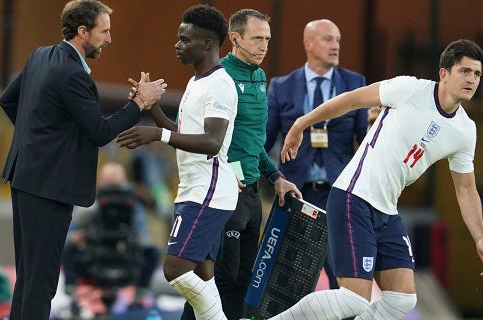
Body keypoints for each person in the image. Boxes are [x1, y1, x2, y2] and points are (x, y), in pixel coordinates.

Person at [255, 39, 483, 320]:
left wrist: (481, 238)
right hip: (353, 197)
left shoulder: (466, 131)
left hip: (387, 211)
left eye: (477, 74)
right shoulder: (410, 89)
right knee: (354, 300)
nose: (472, 79)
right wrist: (301, 123)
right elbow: (352, 100)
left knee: (402, 299)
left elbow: (466, 189)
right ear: (444, 74)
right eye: (465, 71)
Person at [0, 0, 167, 318]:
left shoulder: (40, 56)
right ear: (82, 31)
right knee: (42, 282)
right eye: (104, 31)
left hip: (25, 177)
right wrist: (140, 103)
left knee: (29, 278)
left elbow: (8, 100)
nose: (109, 38)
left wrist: (37, 141)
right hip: (49, 186)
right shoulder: (73, 73)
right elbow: (100, 132)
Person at [116, 4, 237, 320]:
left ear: (207, 43)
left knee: (175, 269)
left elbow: (212, 142)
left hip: (209, 192)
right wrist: (153, 110)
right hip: (194, 189)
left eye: (185, 39)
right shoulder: (198, 81)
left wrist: (157, 134)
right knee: (202, 273)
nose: (177, 45)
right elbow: (184, 134)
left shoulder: (220, 84)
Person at [179, 9, 301, 320]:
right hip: (224, 194)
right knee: (216, 278)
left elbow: (250, 144)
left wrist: (275, 177)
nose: (264, 46)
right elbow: (210, 139)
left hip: (250, 196)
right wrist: (228, 174)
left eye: (268, 40)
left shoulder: (260, 78)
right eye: (257, 38)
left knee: (242, 281)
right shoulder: (221, 78)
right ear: (234, 39)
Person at [265, 19, 369, 290]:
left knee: (344, 280)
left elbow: (366, 141)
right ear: (307, 44)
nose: (335, 45)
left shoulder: (355, 84)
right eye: (327, 39)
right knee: (287, 280)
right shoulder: (281, 86)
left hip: (340, 193)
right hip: (295, 193)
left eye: (338, 39)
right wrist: (243, 173)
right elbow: (264, 139)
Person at [61, 162, 161, 312]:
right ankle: (73, 296)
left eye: (117, 187)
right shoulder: (88, 202)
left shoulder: (134, 205)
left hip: (124, 255)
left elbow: (144, 239)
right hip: (94, 254)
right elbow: (68, 236)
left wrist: (136, 239)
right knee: (68, 249)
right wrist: (77, 236)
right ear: (101, 183)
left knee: (153, 252)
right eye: (109, 186)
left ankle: (139, 297)